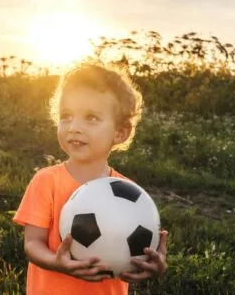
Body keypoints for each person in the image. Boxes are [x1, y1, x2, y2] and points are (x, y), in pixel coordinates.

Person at [13, 63, 168, 295]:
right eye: (66, 116)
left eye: (91, 118)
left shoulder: (131, 194)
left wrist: (156, 263)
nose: (74, 127)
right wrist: (57, 263)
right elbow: (32, 243)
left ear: (120, 133)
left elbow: (143, 248)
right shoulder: (46, 181)